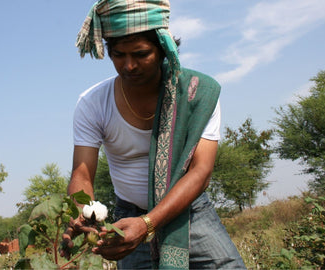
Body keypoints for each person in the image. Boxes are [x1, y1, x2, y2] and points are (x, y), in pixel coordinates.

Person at [62, 0, 246, 269]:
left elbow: (201, 172)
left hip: (190, 211)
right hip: (128, 217)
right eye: (118, 55)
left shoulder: (197, 94)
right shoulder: (93, 103)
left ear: (163, 48)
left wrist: (148, 224)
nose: (129, 66)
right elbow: (82, 174)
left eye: (140, 54)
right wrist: (83, 215)